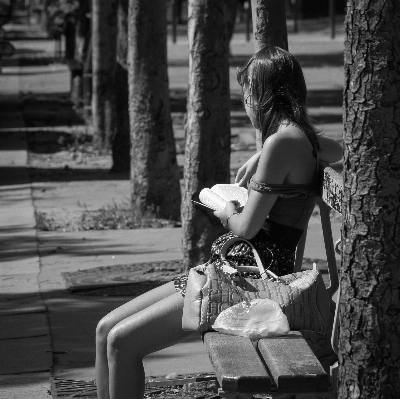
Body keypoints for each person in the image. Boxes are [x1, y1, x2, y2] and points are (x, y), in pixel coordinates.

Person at [95, 45, 343, 399]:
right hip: (230, 269)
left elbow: (246, 228)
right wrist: (262, 153)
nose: (246, 103)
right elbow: (337, 149)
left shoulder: (283, 141)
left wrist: (225, 208)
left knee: (120, 340)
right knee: (106, 329)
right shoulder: (296, 137)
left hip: (248, 281)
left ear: (263, 94)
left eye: (247, 94)